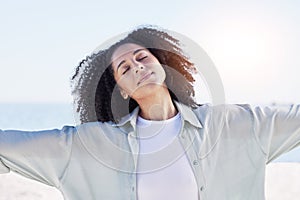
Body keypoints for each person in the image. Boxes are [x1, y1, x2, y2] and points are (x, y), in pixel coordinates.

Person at [0, 25, 299, 200]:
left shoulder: (232, 124)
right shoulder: (90, 146)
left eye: (142, 57)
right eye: (125, 68)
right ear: (122, 90)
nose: (138, 66)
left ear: (163, 64)